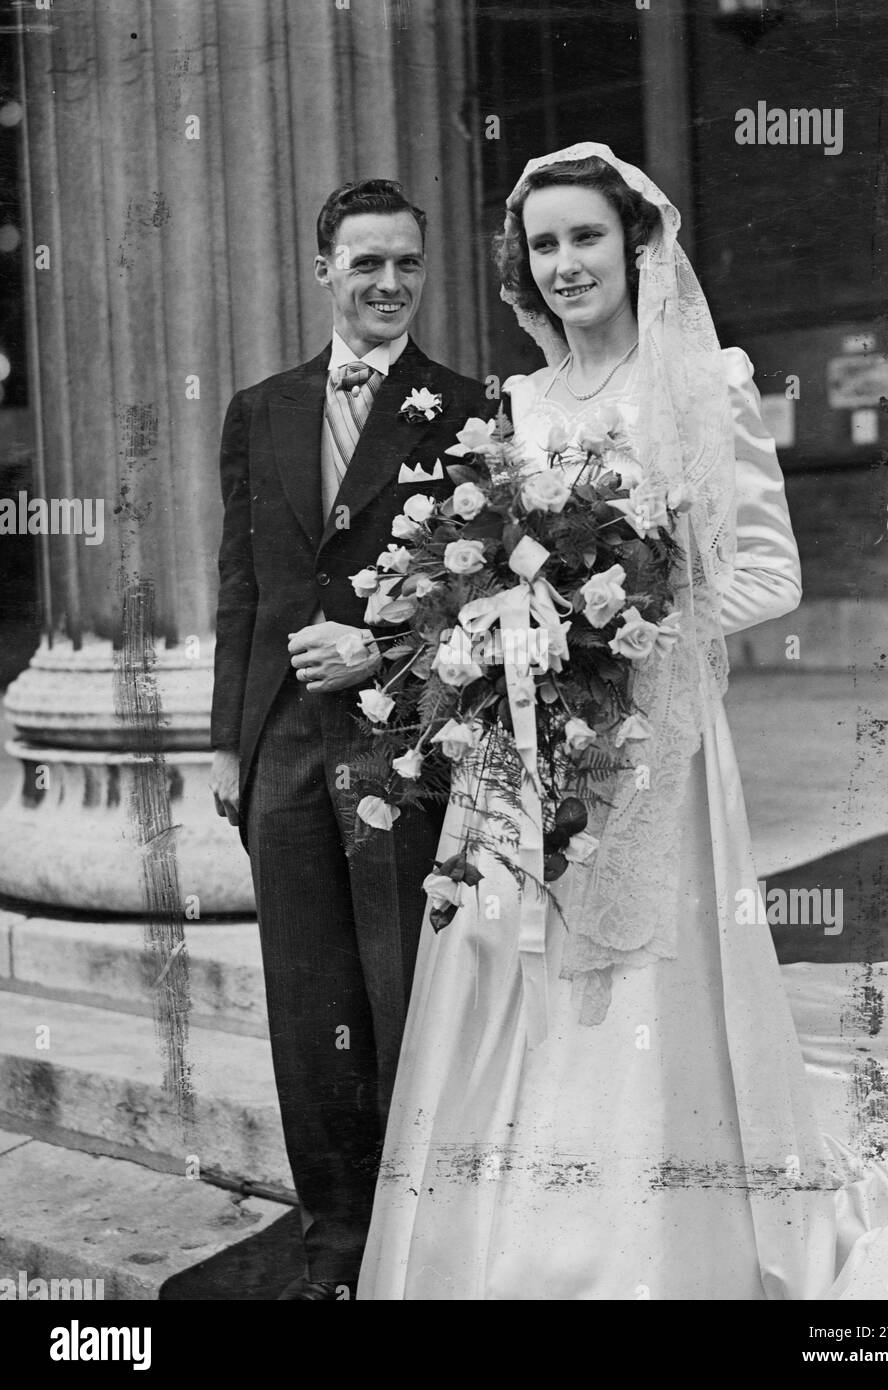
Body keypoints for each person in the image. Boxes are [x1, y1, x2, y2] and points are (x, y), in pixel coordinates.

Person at [356, 145, 888, 1300]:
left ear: (636, 243)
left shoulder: (706, 382)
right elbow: (490, 567)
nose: (565, 264)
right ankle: (497, 1245)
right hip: (516, 748)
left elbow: (770, 573)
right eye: (543, 245)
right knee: (506, 969)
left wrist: (626, 632)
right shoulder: (520, 405)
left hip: (654, 747)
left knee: (643, 976)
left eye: (585, 237)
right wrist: (500, 632)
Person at [209, 178, 488, 1299]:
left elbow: (475, 594)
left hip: (400, 739)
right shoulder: (262, 409)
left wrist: (378, 645)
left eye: (406, 264)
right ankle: (333, 1239)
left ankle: (416, 1236)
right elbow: (240, 584)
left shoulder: (466, 405)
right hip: (281, 741)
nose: (387, 284)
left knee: (398, 982)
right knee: (306, 994)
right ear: (323, 268)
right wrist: (227, 744)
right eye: (365, 263)